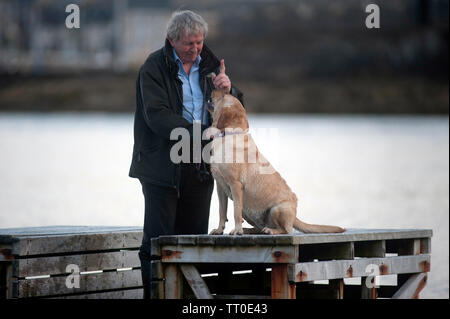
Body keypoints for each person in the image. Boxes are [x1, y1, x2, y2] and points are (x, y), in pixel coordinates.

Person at [128, 10, 244, 299]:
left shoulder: (212, 66)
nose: (195, 49)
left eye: (199, 43)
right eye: (189, 44)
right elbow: (157, 117)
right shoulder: (154, 67)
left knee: (194, 243)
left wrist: (229, 90)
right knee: (157, 244)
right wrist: (203, 132)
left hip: (201, 166)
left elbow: (235, 112)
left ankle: (189, 301)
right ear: (172, 40)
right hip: (160, 167)